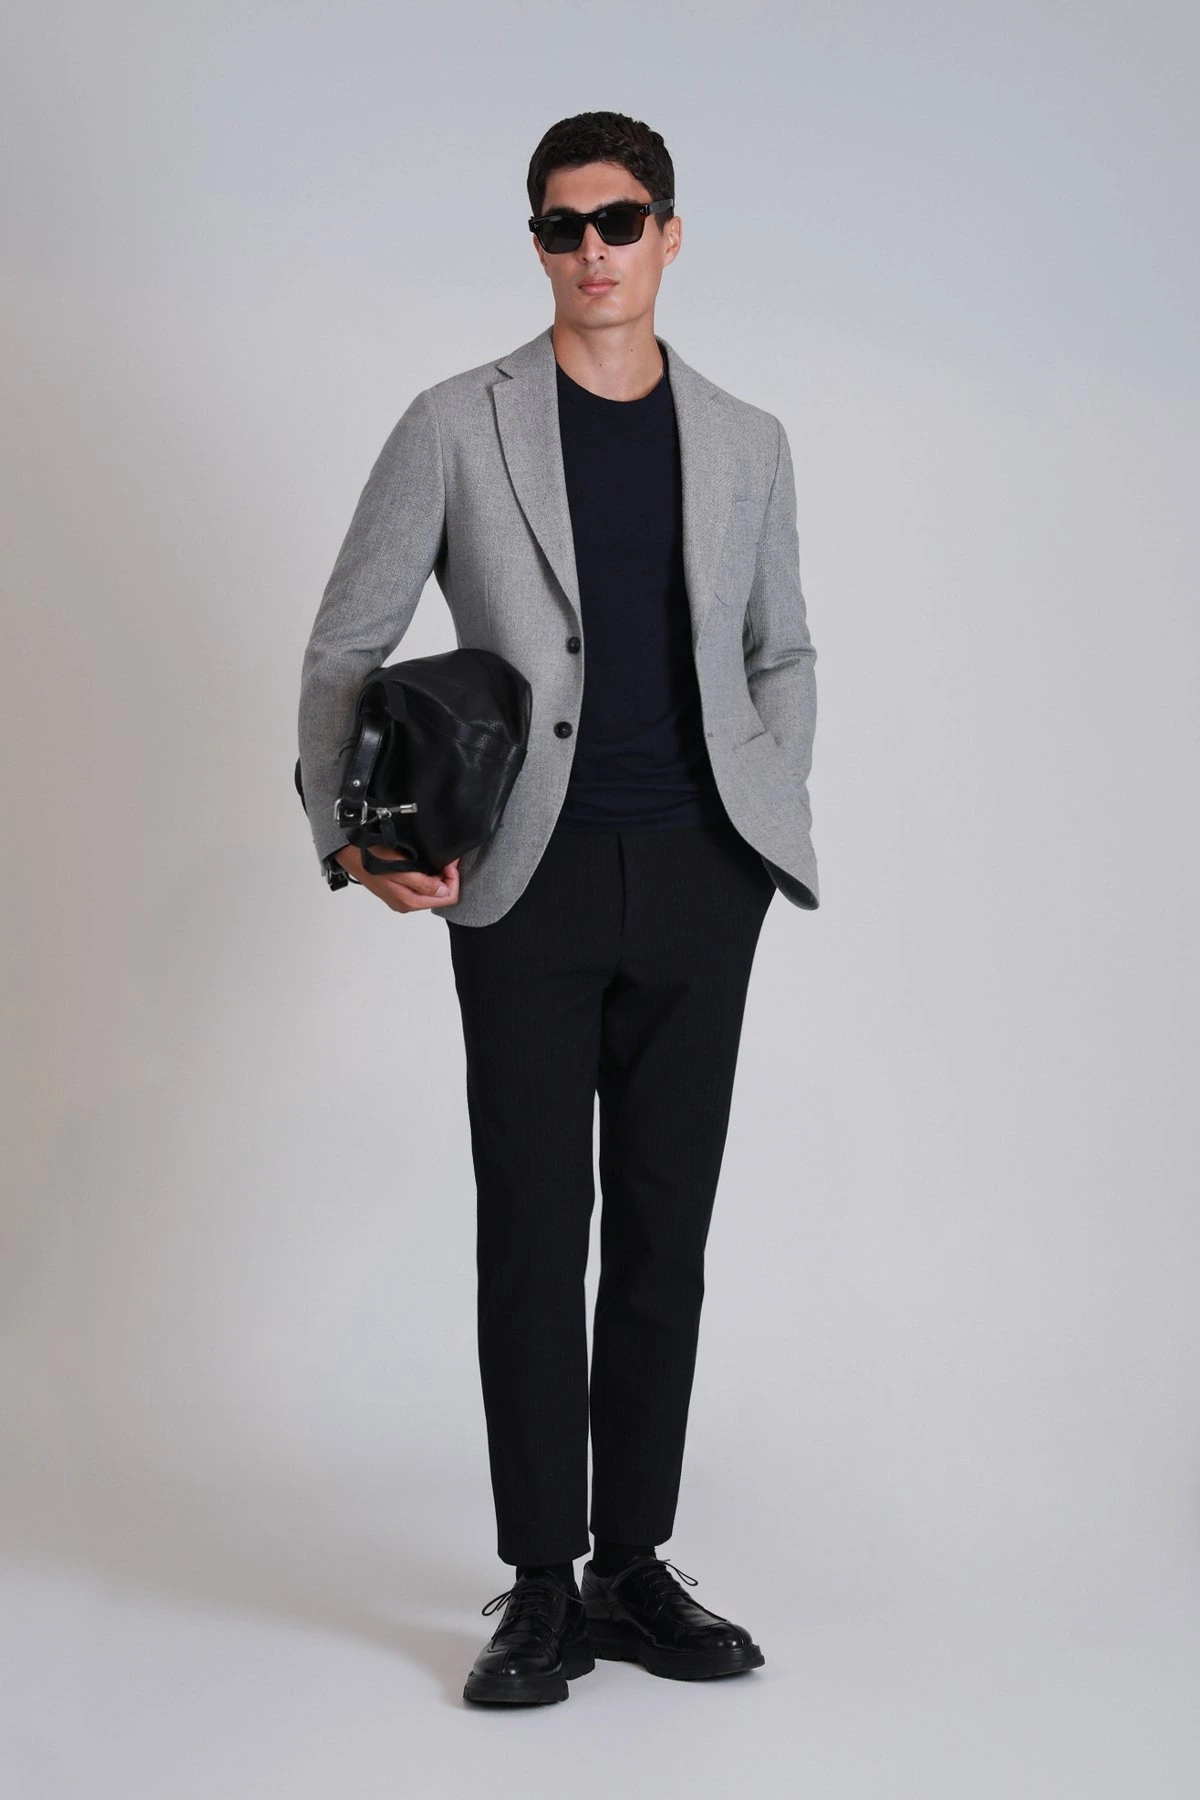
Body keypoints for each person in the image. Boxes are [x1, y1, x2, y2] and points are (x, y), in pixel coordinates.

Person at [296, 110, 819, 1707]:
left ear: (670, 233)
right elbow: (345, 645)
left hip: (701, 878)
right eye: (561, 225)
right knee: (535, 1231)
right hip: (521, 881)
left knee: (668, 1233)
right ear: (537, 243)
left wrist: (762, 816)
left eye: (620, 219)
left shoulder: (747, 439)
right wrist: (354, 839)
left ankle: (630, 1566)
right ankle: (537, 1583)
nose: (592, 250)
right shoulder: (457, 423)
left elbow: (783, 649)